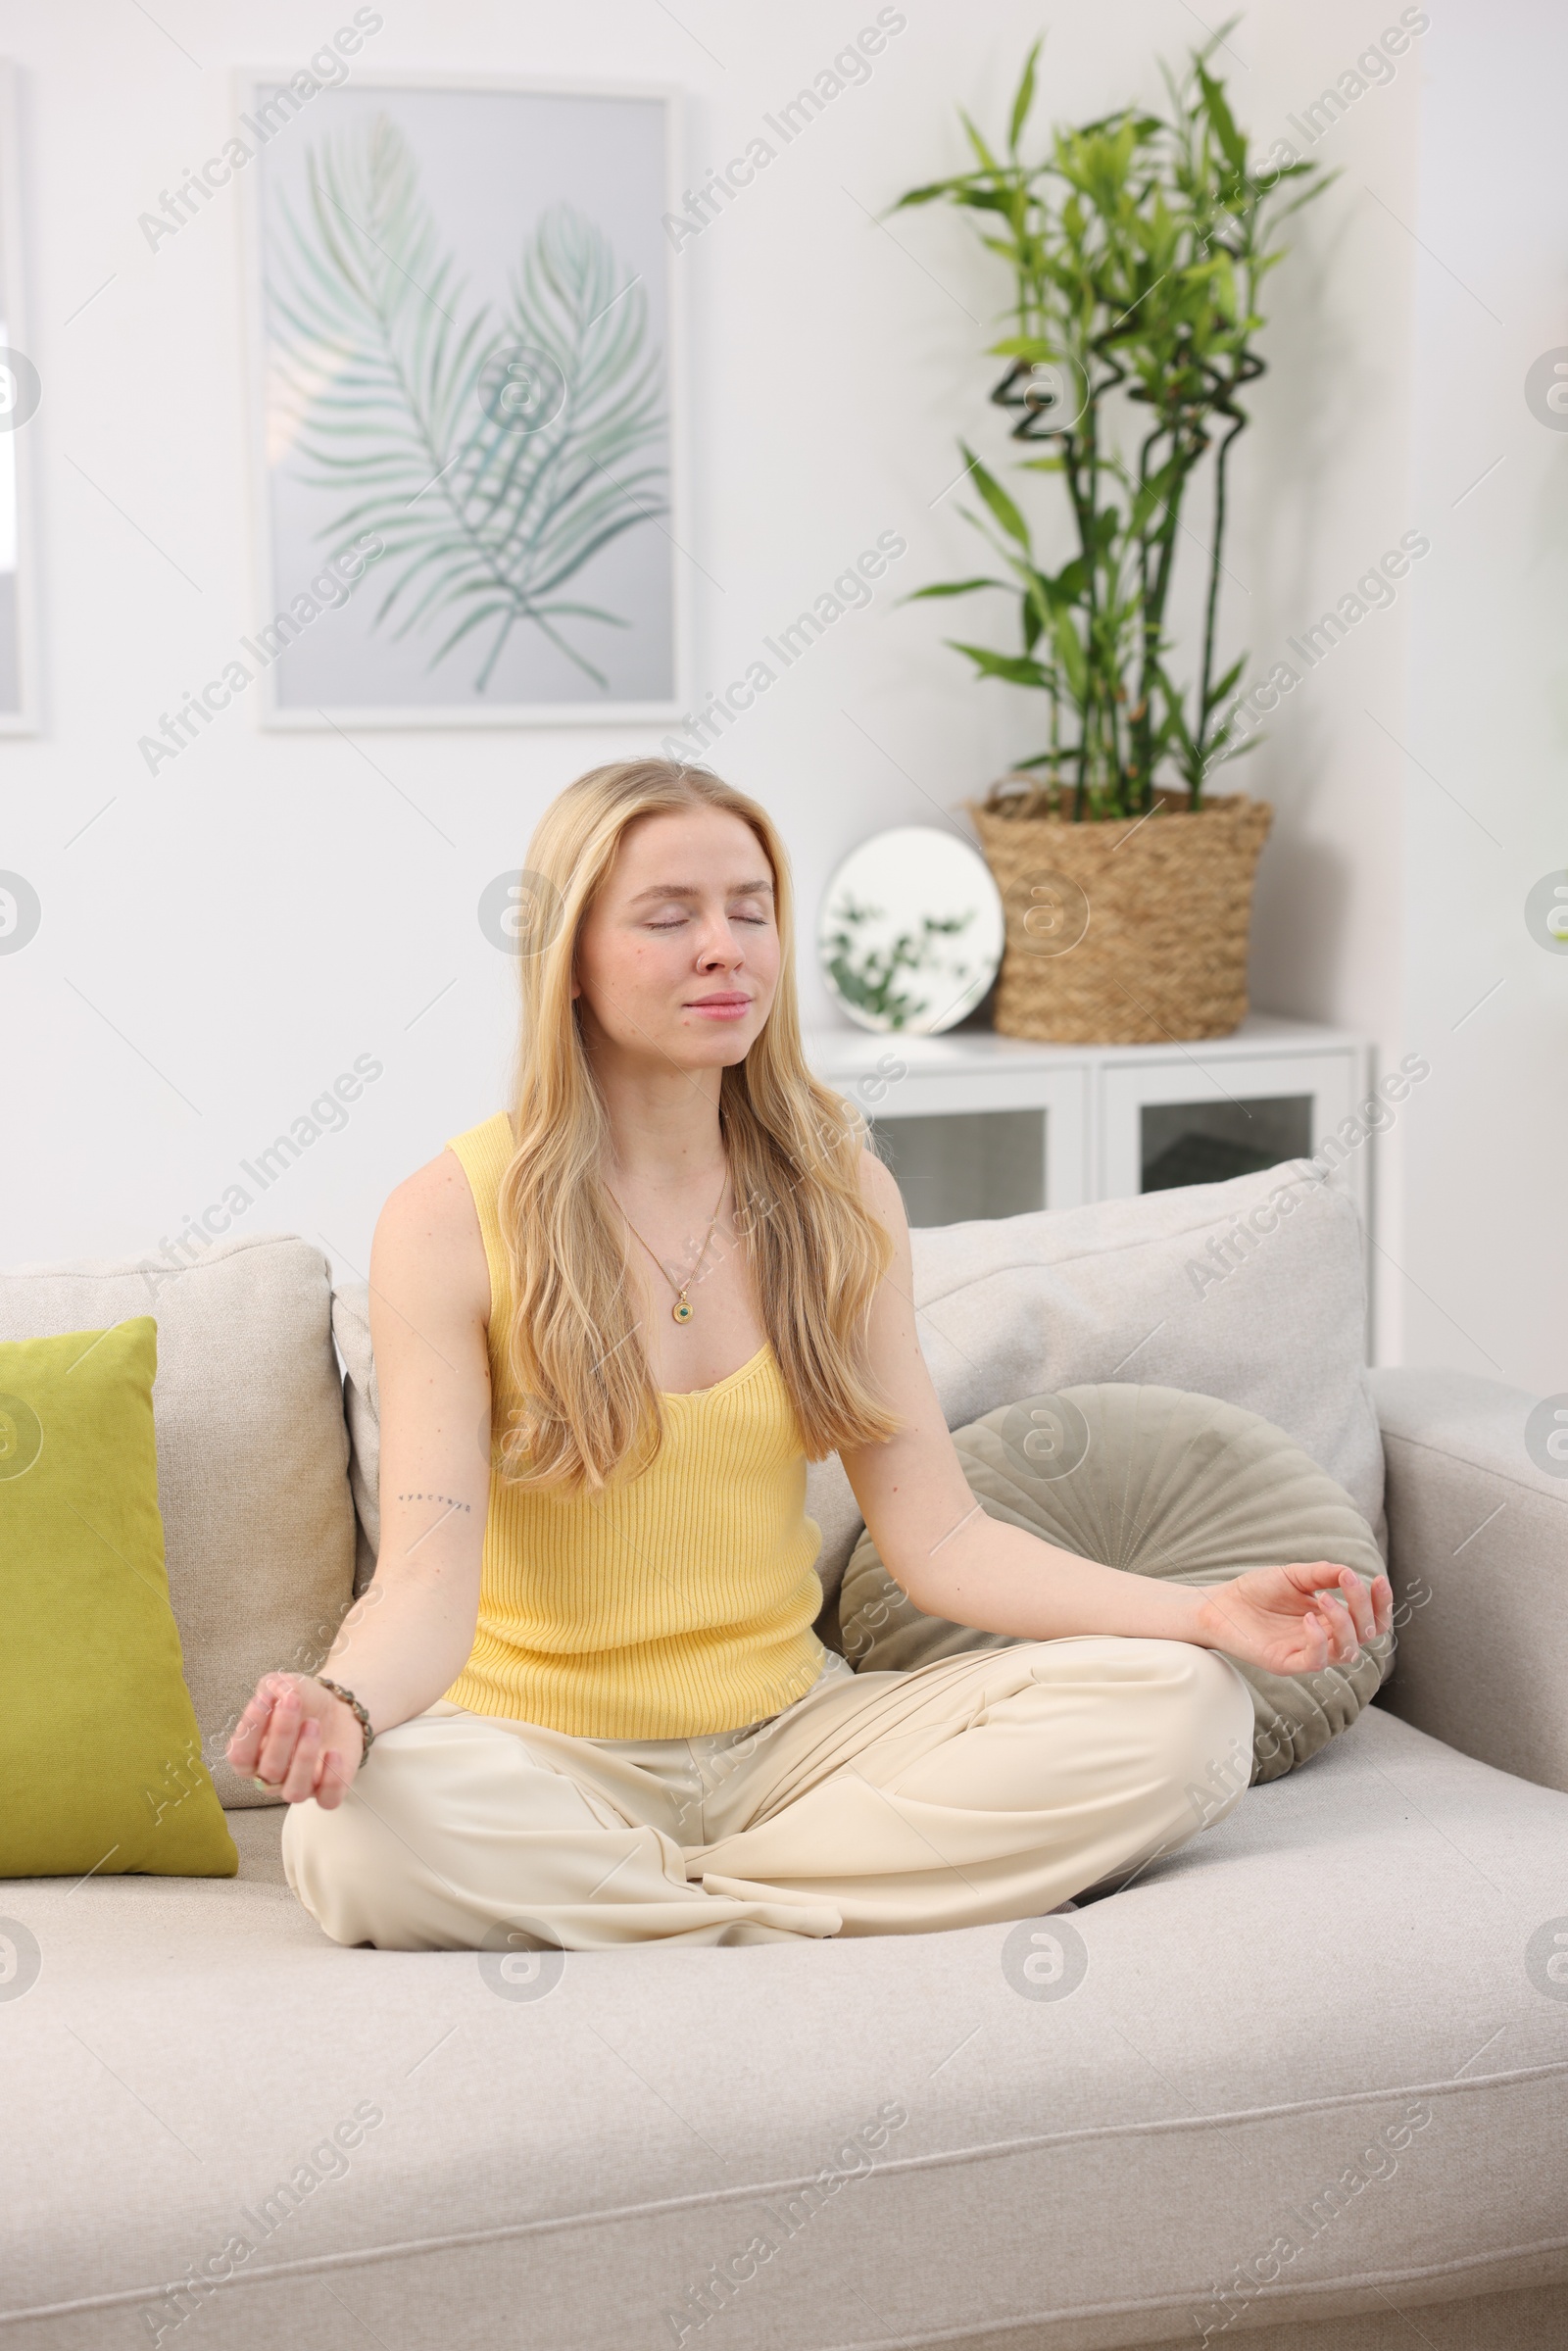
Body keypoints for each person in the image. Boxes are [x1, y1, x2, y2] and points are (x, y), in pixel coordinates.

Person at [229, 759, 1391, 1951]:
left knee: (1186, 1711)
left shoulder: (840, 1194)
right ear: (569, 955)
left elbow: (940, 1539)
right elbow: (423, 1576)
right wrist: (348, 1701)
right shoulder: (448, 1217)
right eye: (669, 916)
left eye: (750, 906)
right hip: (538, 1755)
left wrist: (1200, 1612)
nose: (725, 947)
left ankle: (663, 1909)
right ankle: (778, 1912)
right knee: (349, 1834)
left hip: (793, 1745)